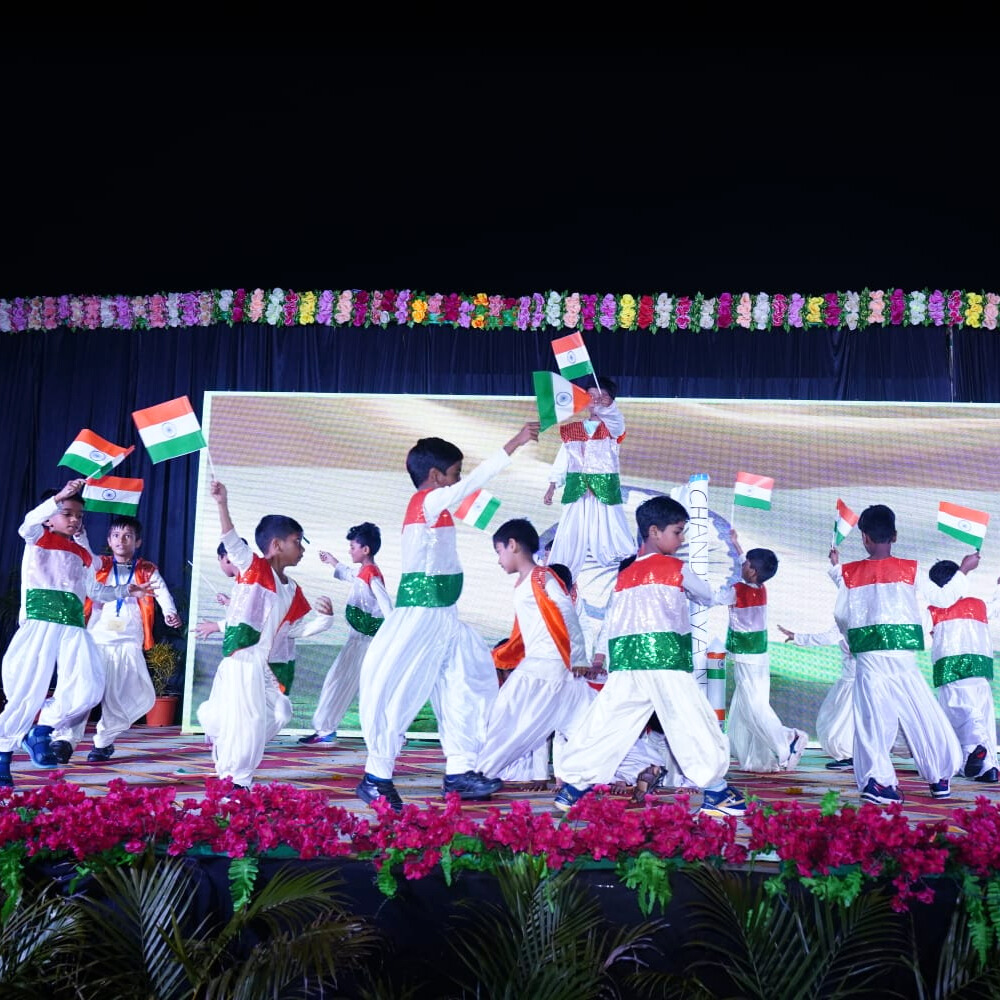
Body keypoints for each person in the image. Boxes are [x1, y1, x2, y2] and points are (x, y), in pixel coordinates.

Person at [356, 422, 539, 811]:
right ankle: (376, 778)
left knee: (468, 683)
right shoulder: (426, 502)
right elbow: (472, 484)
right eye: (453, 474)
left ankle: (459, 772)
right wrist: (515, 443)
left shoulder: (437, 510)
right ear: (437, 476)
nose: (457, 482)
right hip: (421, 617)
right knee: (402, 691)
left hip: (445, 617)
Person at [554, 495, 746, 818]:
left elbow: (614, 620)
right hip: (665, 660)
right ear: (654, 532)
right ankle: (716, 791)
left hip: (627, 664)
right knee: (691, 720)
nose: (681, 538)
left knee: (606, 724)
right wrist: (732, 592)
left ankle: (573, 787)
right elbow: (706, 594)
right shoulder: (675, 567)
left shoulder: (624, 576)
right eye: (678, 531)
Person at [0, 479, 151, 786]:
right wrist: (59, 496)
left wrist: (127, 590)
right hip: (41, 622)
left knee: (89, 687)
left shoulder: (83, 554)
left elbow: (96, 591)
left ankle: (42, 729)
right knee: (26, 690)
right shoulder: (37, 536)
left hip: (74, 627)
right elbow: (27, 523)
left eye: (79, 516)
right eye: (67, 513)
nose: (74, 520)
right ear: (49, 515)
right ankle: (3, 755)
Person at [196, 480, 332, 789]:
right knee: (251, 722)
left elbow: (294, 630)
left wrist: (324, 621)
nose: (303, 548)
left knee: (281, 712)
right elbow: (232, 542)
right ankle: (235, 781)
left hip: (263, 667)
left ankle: (221, 731)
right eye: (298, 541)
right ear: (276, 545)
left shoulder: (293, 589)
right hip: (242, 661)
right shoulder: (253, 567)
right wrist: (222, 504)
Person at [829, 504, 966, 804]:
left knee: (872, 721)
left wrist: (853, 637)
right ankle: (939, 776)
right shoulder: (911, 569)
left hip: (869, 658)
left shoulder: (850, 573)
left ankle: (877, 783)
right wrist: (963, 571)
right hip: (903, 658)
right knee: (922, 714)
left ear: (863, 538)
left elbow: (841, 615)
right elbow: (943, 598)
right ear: (895, 535)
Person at [55, 515, 183, 764]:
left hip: (127, 643)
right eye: (116, 535)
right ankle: (65, 741)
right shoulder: (100, 564)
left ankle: (103, 743)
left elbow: (161, 592)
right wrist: (80, 535)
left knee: (118, 697)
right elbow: (85, 554)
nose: (121, 540)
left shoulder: (146, 569)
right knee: (83, 691)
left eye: (127, 536)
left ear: (138, 542)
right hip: (96, 642)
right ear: (109, 540)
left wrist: (169, 613)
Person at [476, 520, 593, 785]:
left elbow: (565, 610)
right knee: (577, 727)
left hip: (548, 666)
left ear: (513, 545)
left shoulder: (542, 577)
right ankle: (582, 784)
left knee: (509, 717)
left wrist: (578, 656)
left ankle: (481, 773)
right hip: (544, 665)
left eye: (499, 552)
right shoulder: (524, 583)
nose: (498, 560)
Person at [543, 379, 637, 657]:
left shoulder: (613, 427)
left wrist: (610, 407)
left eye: (601, 396)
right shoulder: (571, 429)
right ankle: (558, 583)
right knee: (567, 541)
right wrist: (552, 484)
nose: (595, 401)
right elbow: (562, 459)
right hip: (576, 492)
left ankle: (630, 576)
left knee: (618, 543)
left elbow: (617, 420)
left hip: (604, 493)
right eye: (591, 396)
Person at [298, 522, 393, 746]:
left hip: (365, 642)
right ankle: (327, 728)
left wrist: (393, 632)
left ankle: (326, 729)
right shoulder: (365, 572)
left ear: (365, 550)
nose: (350, 550)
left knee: (341, 681)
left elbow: (387, 606)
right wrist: (332, 562)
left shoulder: (372, 575)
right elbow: (352, 575)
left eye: (353, 547)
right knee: (351, 683)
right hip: (359, 640)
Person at [723, 547, 808, 772]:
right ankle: (756, 761)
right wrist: (737, 546)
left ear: (751, 571)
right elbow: (749, 567)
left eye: (745, 563)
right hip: (759, 655)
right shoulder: (761, 587)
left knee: (755, 708)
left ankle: (789, 738)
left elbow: (712, 597)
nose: (741, 564)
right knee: (745, 708)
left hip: (746, 656)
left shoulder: (737, 591)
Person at [926, 554, 999, 784]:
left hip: (952, 669)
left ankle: (975, 747)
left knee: (960, 716)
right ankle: (988, 768)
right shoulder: (978, 604)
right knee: (982, 715)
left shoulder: (934, 610)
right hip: (980, 669)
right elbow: (995, 608)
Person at [777, 621, 856, 770]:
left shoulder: (852, 616)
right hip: (856, 678)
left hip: (855, 680)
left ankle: (852, 757)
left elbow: (829, 637)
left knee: (838, 722)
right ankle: (855, 756)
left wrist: (797, 637)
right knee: (840, 720)